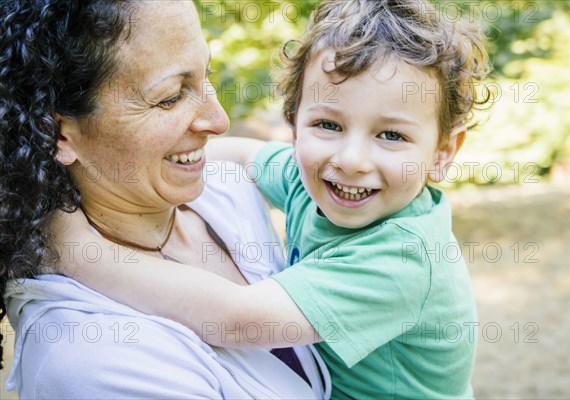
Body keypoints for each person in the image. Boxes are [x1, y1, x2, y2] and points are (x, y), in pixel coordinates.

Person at [52, 0, 493, 398]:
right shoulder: (312, 179)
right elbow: (245, 154)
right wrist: (172, 160)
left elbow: (238, 319)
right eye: (328, 125)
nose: (351, 159)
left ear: (442, 153)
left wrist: (77, 254)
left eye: (391, 135)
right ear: (295, 122)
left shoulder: (403, 256)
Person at [0, 0, 331, 398]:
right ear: (60, 135)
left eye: (205, 75)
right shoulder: (94, 363)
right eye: (171, 97)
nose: (219, 120)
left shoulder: (222, 190)